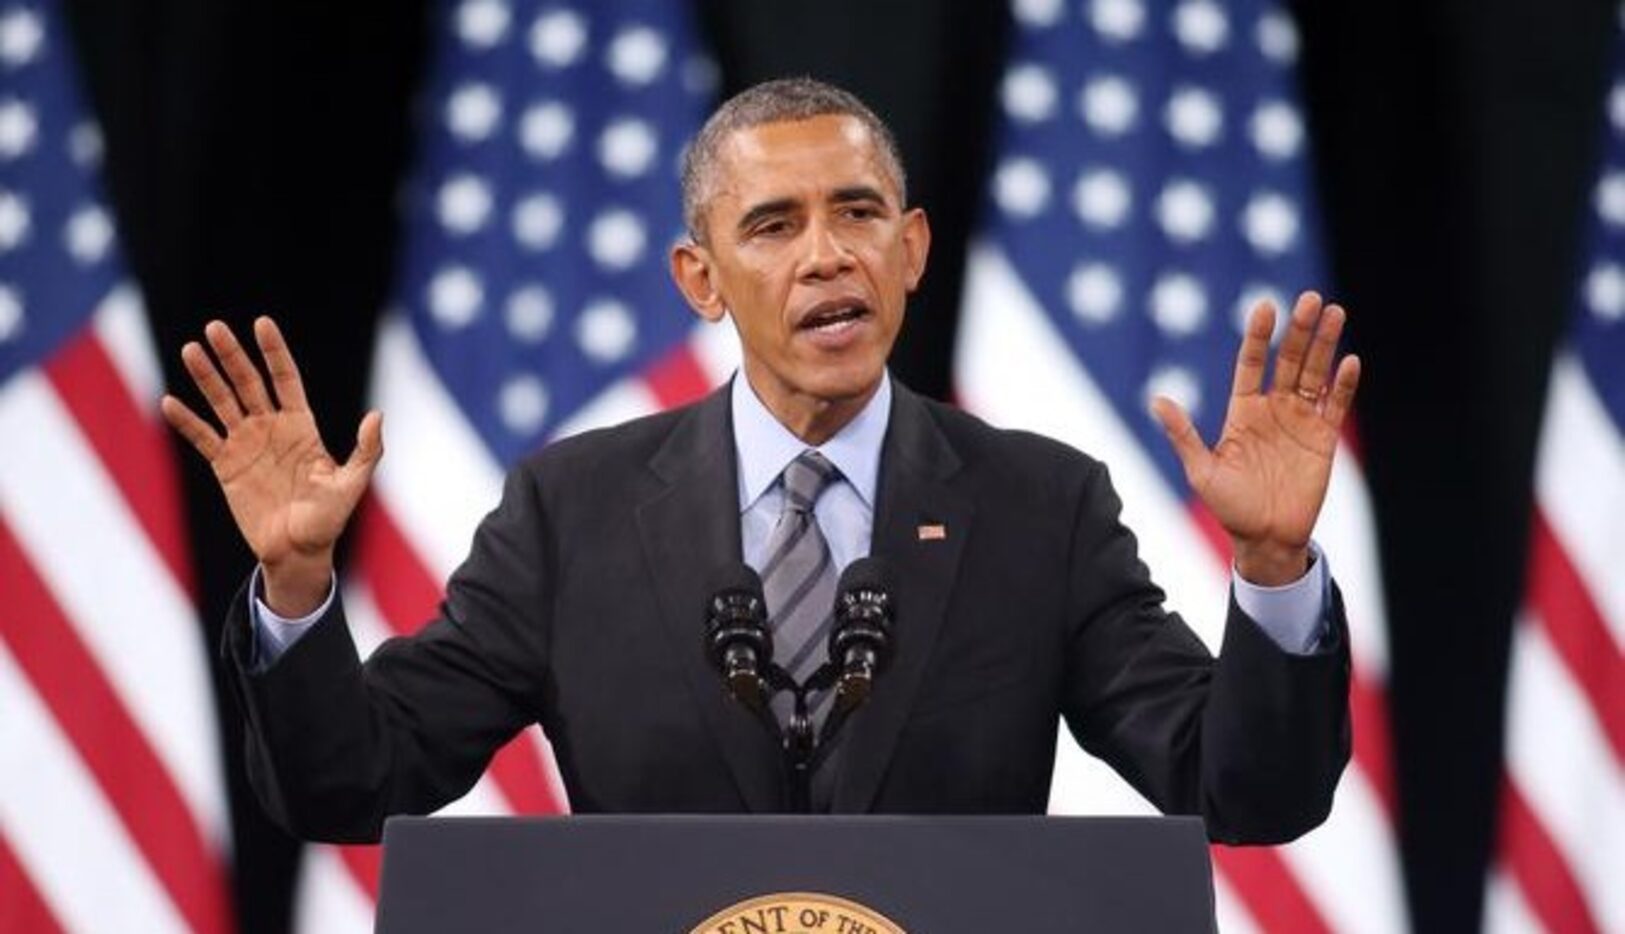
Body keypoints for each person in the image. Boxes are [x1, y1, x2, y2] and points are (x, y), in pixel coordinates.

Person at [162, 79, 1360, 844]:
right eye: (774, 226)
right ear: (700, 277)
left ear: (912, 248)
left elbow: (1243, 792)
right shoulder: (568, 513)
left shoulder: (1039, 505)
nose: (827, 255)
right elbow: (349, 786)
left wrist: (1270, 562)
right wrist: (300, 591)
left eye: (858, 213)